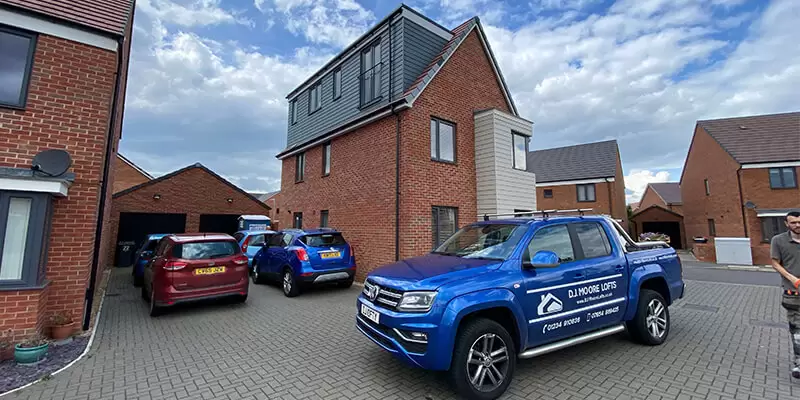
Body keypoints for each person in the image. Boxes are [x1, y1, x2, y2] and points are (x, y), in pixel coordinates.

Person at [771, 210, 800, 379]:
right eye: (794, 222)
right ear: (786, 224)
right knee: (797, 330)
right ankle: (799, 362)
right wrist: (793, 279)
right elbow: (775, 262)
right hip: (793, 293)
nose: (797, 225)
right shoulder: (778, 241)